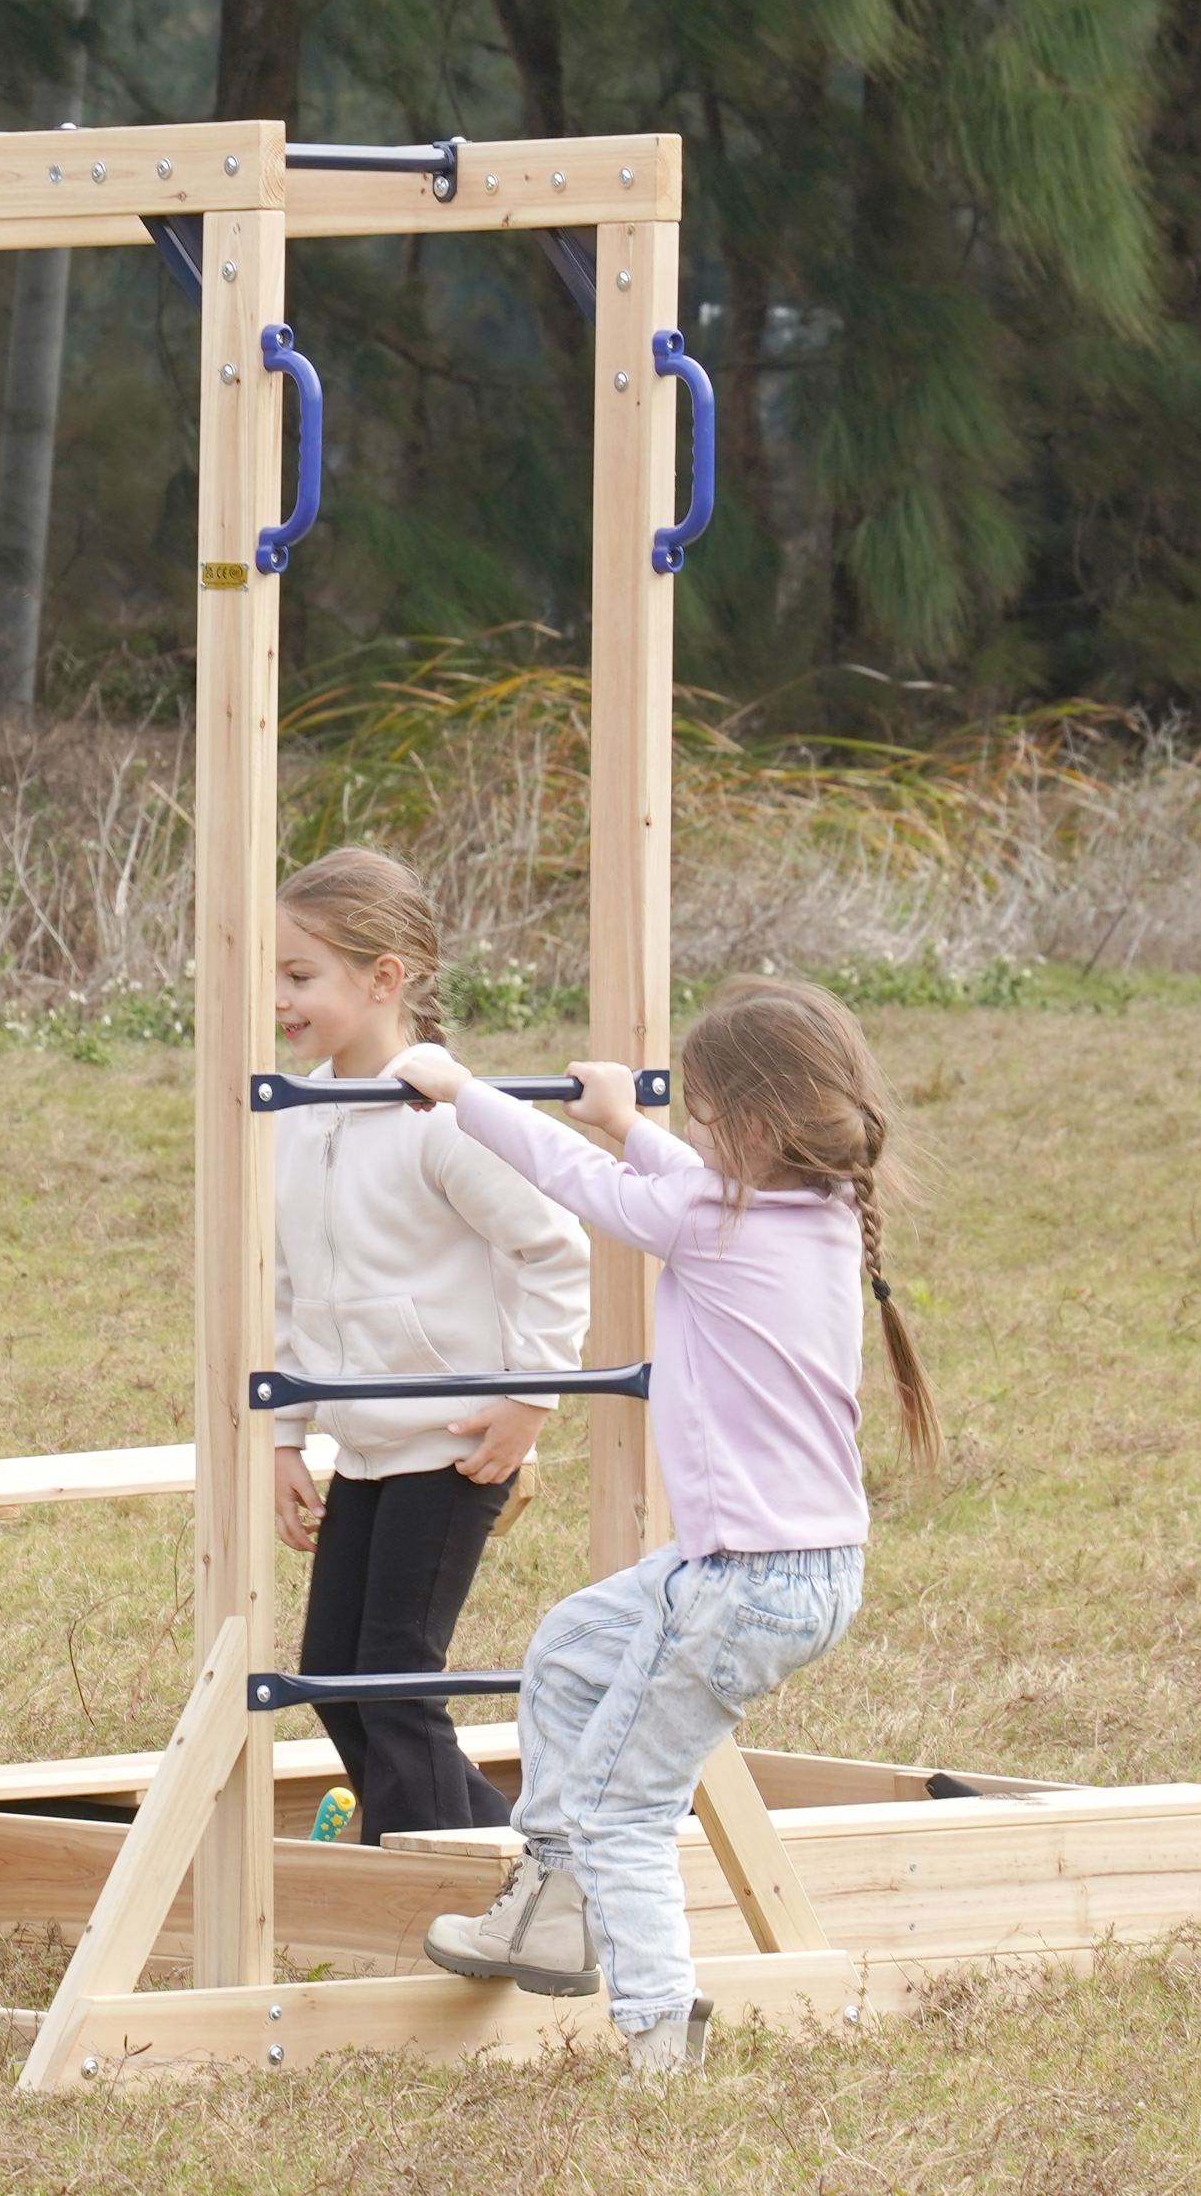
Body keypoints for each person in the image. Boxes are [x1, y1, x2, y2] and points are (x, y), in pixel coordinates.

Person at [391, 977, 940, 2079]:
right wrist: (630, 1121)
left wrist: (461, 1090)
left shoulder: (711, 1222)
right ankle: (547, 1907)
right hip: (793, 1574)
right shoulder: (823, 1214)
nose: (690, 1132)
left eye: (700, 1111)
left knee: (622, 1812)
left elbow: (577, 1185)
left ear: (752, 1125)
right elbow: (674, 1182)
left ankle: (656, 2034)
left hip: (738, 1584)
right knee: (567, 1653)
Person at [270, 849, 590, 1845]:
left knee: (396, 1689)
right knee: (334, 1679)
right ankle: (512, 1860)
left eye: (300, 976)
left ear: (385, 978)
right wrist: (287, 1438)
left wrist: (526, 1399)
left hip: (453, 1442)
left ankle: (417, 1887)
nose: (282, 1000)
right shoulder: (299, 1113)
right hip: (364, 1444)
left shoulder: (443, 1118)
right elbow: (287, 1283)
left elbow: (554, 1245)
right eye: (275, 976)